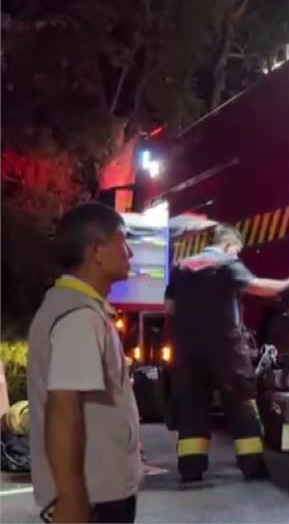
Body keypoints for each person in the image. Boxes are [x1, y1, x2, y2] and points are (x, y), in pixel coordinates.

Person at [27, 203, 141, 523]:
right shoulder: (79, 317)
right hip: (94, 497)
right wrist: (72, 498)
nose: (130, 253)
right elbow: (64, 408)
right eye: (122, 242)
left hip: (99, 491)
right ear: (96, 252)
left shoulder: (80, 309)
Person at [165, 224, 289, 482]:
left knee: (192, 406)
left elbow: (169, 307)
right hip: (225, 348)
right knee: (241, 401)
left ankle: (191, 468)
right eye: (237, 250)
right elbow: (256, 286)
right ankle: (251, 465)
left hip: (188, 349)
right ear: (229, 246)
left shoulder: (182, 267)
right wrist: (287, 284)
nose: (237, 255)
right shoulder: (226, 262)